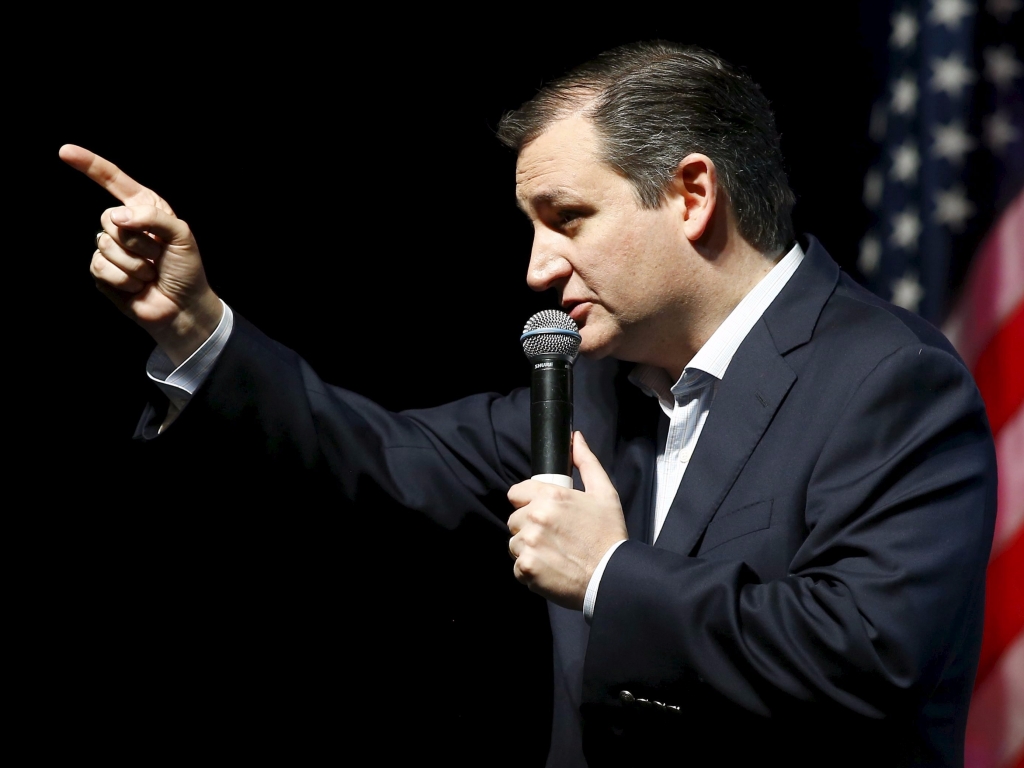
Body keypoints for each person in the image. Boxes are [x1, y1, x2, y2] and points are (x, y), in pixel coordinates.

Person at [62, 41, 997, 767]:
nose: (538, 268)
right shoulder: (587, 388)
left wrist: (608, 576)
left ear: (692, 194)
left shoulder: (889, 378)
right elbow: (380, 458)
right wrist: (194, 328)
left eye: (567, 218)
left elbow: (870, 653)